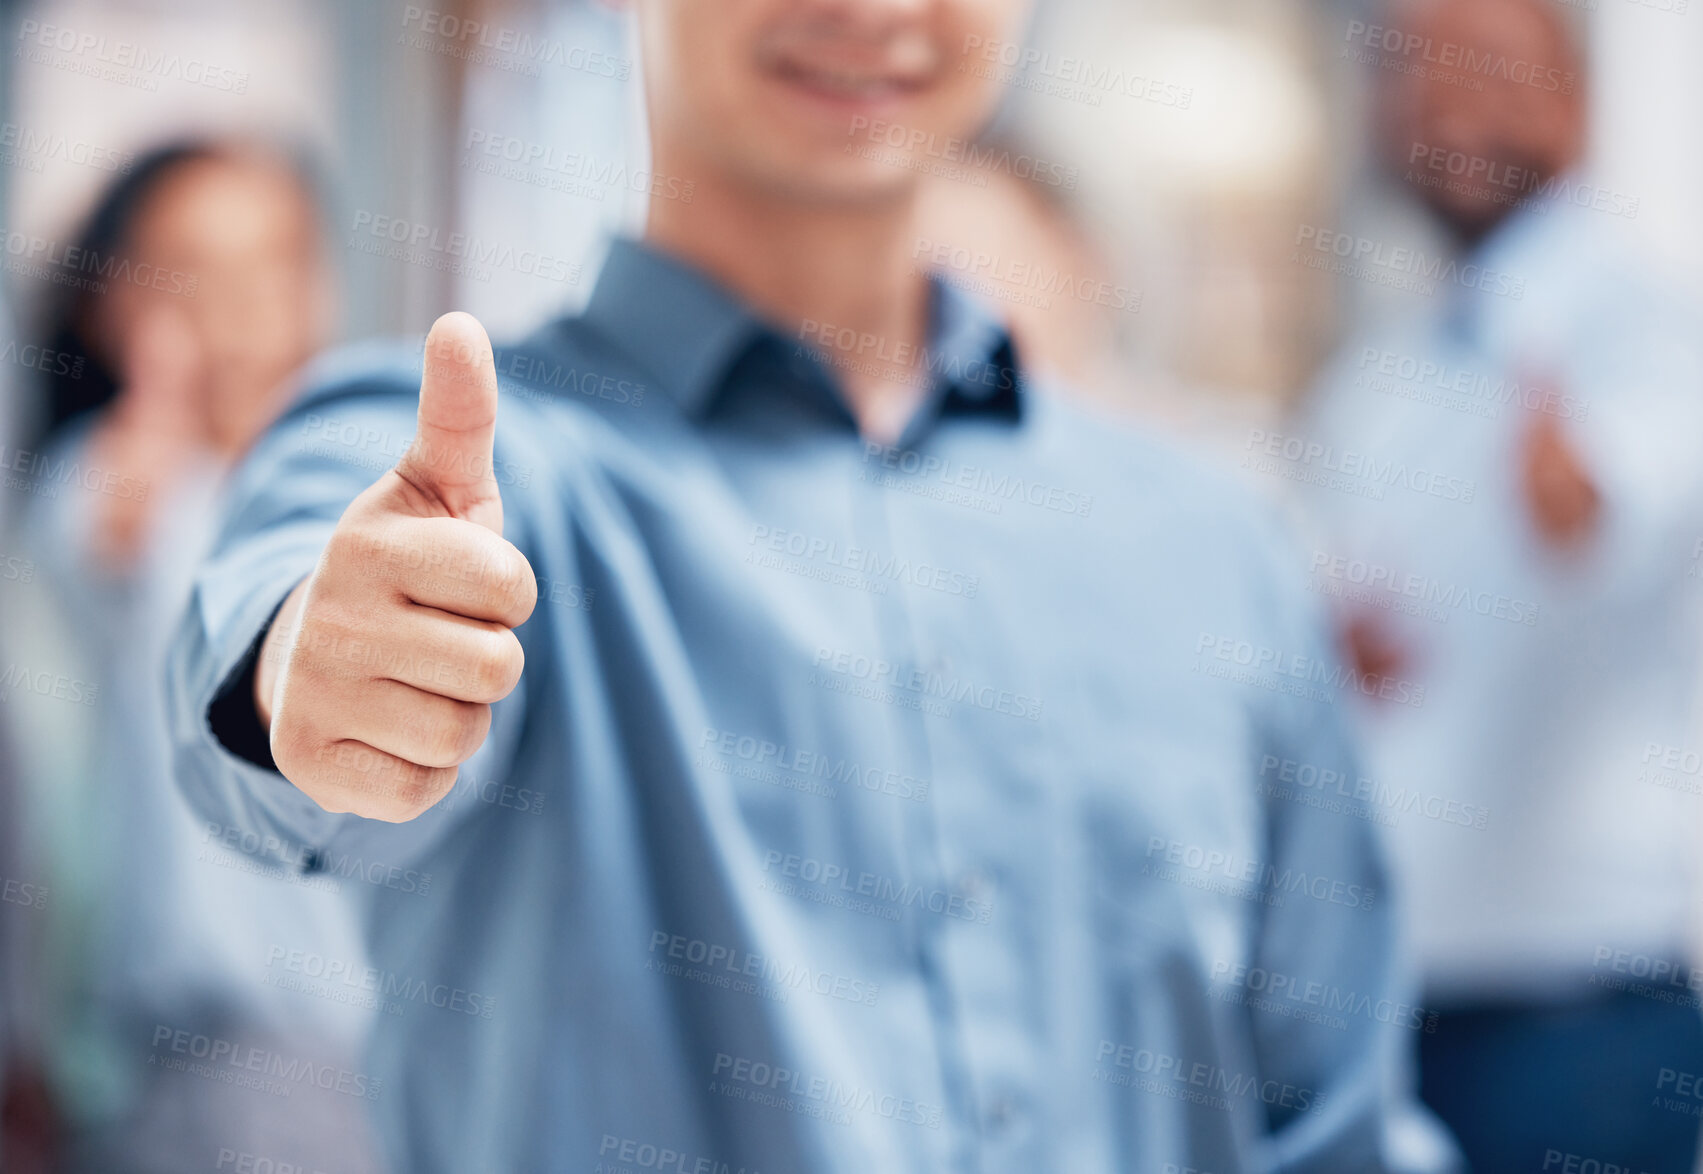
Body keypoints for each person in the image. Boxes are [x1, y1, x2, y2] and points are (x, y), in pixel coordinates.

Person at [168, 2, 1440, 1170]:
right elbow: (274, 649)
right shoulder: (468, 470)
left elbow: (1334, 1121)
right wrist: (312, 676)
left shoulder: (1214, 550)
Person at [1302, 0, 1703, 1169]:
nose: (1447, 100)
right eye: (1412, 71)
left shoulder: (1647, 330)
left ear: (1574, 98)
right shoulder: (1378, 382)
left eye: (1485, 67)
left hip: (1580, 1016)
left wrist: (1567, 483)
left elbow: (1596, 515)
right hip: (1391, 1006)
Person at [19, 142, 384, 1173]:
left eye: (274, 262)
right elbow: (106, 520)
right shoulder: (133, 494)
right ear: (114, 309)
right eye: (191, 276)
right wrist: (159, 405)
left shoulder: (358, 489)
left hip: (376, 1051)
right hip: (222, 1059)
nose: (242, 307)